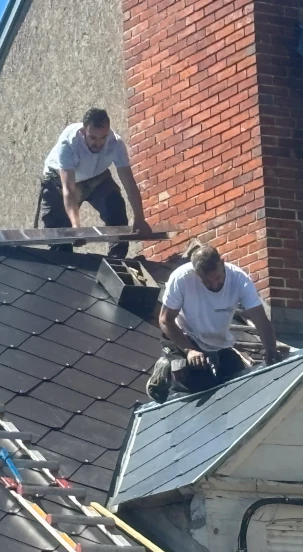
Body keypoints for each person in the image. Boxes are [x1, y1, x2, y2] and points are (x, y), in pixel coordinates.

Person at [147, 245, 282, 402]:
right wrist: (189, 350)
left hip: (218, 342)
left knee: (236, 384)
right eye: (207, 282)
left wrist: (271, 349)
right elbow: (165, 320)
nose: (214, 285)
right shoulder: (181, 278)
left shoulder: (239, 279)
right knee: (198, 391)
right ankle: (167, 373)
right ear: (196, 273)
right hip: (184, 338)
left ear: (222, 262)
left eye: (217, 278)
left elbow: (260, 319)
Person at [36, 108, 151, 258]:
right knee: (59, 233)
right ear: (83, 132)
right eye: (93, 138)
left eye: (103, 137)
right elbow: (69, 190)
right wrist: (76, 227)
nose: (98, 143)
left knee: (115, 205)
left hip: (96, 176)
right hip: (58, 181)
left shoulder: (115, 144)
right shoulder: (69, 143)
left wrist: (140, 218)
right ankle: (64, 261)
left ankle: (117, 256)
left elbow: (129, 182)